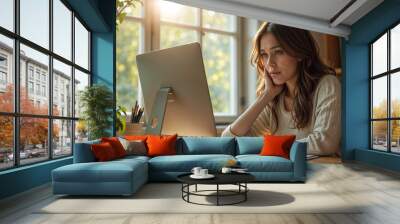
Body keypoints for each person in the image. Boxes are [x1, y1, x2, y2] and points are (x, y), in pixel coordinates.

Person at [221, 22, 341, 155]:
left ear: (299, 53)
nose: (269, 63)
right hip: (287, 173)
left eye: (278, 52)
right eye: (264, 55)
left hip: (323, 172)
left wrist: (272, 146)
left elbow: (325, 143)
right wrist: (265, 96)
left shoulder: (327, 84)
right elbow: (228, 139)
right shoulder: (275, 98)